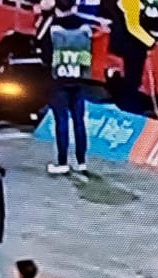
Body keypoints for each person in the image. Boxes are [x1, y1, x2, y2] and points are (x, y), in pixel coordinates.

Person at [42, 0, 92, 175]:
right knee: (79, 122)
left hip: (59, 82)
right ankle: (81, 162)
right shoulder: (85, 27)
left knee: (61, 121)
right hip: (78, 81)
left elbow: (45, 54)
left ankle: (62, 162)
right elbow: (88, 54)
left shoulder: (52, 27)